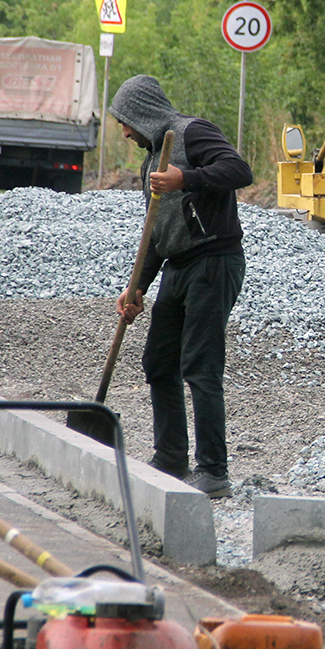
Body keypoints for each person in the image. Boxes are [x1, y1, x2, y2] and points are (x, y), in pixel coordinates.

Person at [109, 74, 253, 499]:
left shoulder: (193, 132)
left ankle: (214, 472)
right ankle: (171, 457)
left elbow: (239, 170)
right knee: (158, 360)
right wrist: (136, 287)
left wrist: (185, 179)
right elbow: (156, 233)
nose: (124, 131)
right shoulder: (149, 162)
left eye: (125, 121)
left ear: (141, 113)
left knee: (200, 365)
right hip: (178, 265)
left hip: (214, 261)